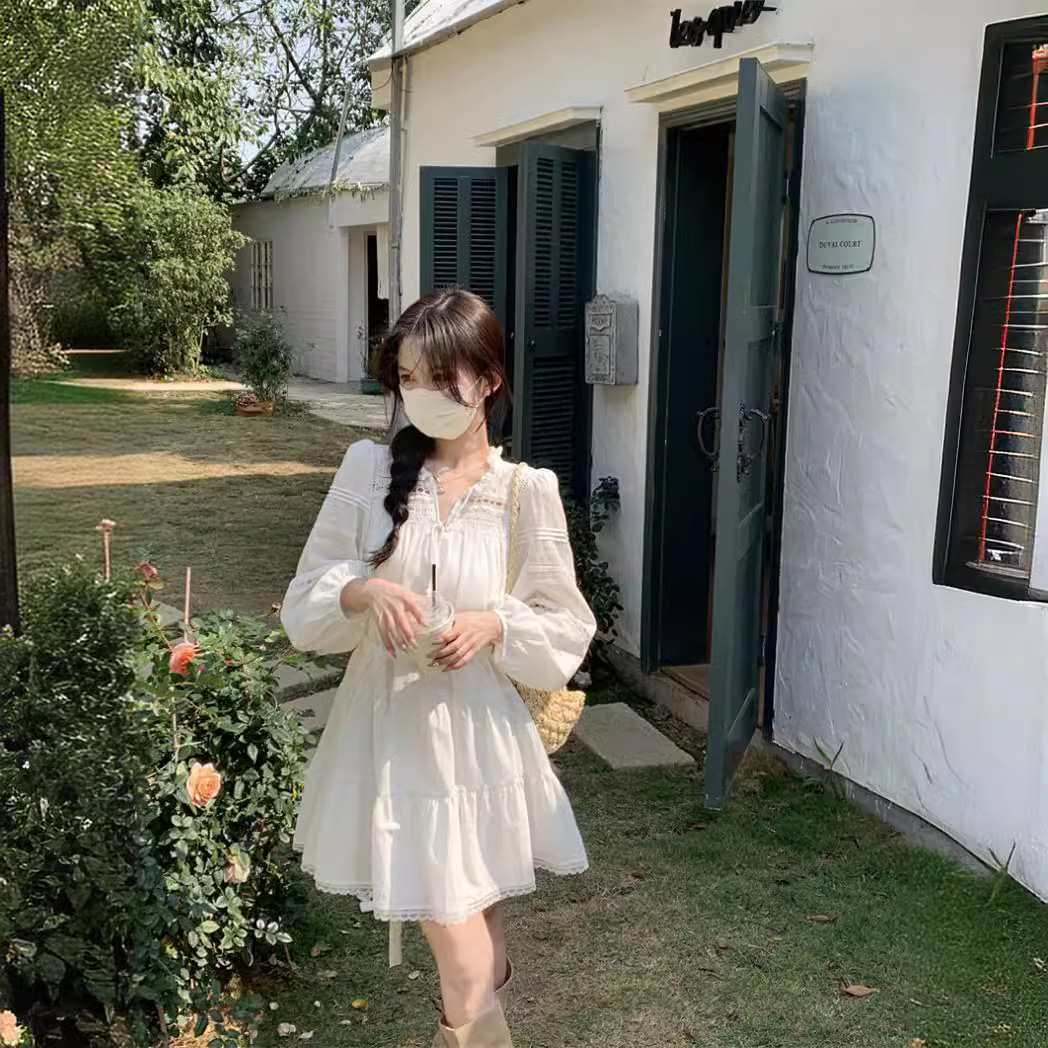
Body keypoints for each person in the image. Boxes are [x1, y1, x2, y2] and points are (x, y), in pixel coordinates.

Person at [280, 288, 596, 1048]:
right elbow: (304, 601)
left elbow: (567, 625)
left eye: (439, 378)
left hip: (482, 739)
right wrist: (362, 591)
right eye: (407, 378)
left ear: (488, 380)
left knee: (478, 938)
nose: (420, 395)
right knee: (463, 952)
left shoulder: (524, 492)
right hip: (391, 736)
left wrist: (494, 623)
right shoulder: (369, 468)